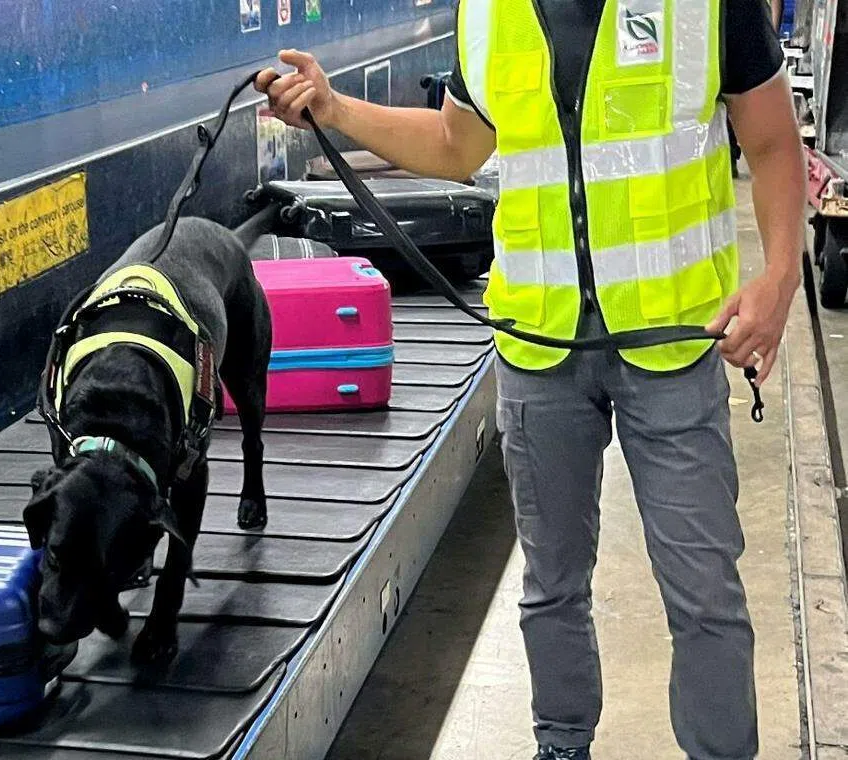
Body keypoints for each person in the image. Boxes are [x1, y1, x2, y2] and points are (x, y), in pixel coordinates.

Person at [255, 0, 805, 758]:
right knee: (552, 586)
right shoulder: (487, 10)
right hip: (539, 347)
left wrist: (779, 281)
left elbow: (773, 139)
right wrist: (333, 105)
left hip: (673, 343)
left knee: (705, 594)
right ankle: (562, 746)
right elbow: (457, 145)